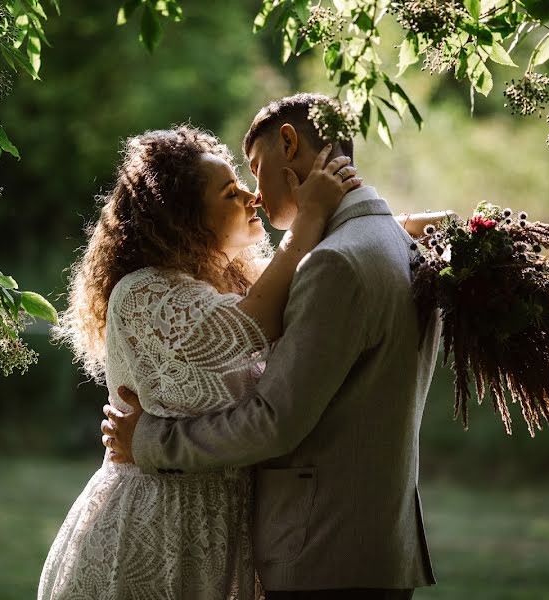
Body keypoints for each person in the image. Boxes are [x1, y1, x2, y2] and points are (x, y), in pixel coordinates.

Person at [102, 93, 445, 600]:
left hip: (323, 554)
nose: (255, 194)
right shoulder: (398, 247)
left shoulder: (335, 264)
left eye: (255, 168)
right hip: (365, 547)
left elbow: (273, 421)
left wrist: (148, 442)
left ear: (288, 143)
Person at [39, 124, 364, 599]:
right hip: (154, 527)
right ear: (184, 217)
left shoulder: (230, 285)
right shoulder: (143, 291)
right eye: (231, 192)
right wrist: (307, 219)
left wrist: (388, 227)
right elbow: (249, 328)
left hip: (228, 528)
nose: (252, 197)